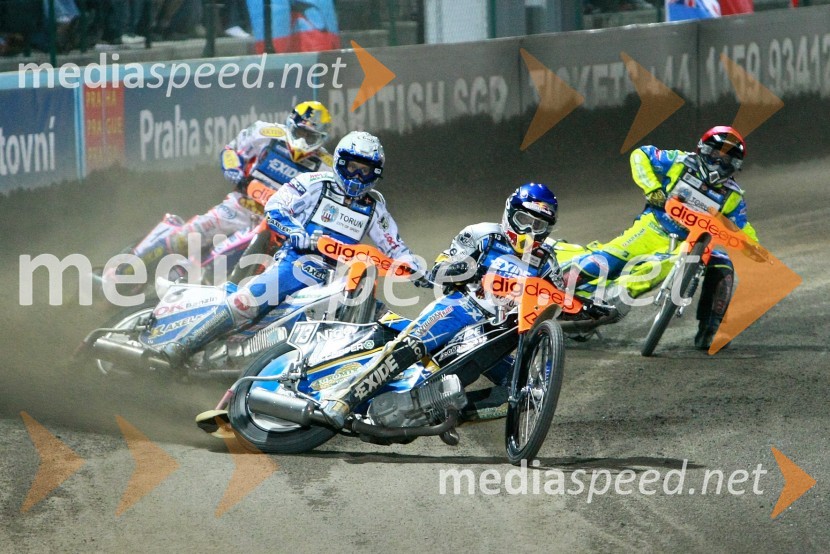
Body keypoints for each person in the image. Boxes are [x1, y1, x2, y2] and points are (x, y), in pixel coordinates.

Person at [316, 183, 572, 427]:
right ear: (509, 214)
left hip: (500, 332)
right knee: (410, 346)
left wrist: (584, 308)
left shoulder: (547, 263)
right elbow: (439, 270)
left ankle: (442, 414)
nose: (529, 231)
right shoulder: (483, 235)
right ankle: (342, 400)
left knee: (530, 391)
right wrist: (462, 270)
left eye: (538, 225)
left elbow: (558, 301)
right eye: (524, 220)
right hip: (462, 307)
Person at [160, 130, 423, 366]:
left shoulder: (374, 207)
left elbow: (395, 246)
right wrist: (295, 231)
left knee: (378, 320)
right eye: (353, 167)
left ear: (375, 174)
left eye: (365, 171)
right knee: (246, 302)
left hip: (337, 278)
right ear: (340, 163)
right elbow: (276, 206)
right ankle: (183, 345)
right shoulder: (314, 183)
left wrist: (417, 270)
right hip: (297, 264)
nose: (357, 176)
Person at [104, 100, 333, 288]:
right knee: (188, 235)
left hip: (274, 226)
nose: (302, 141)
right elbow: (231, 150)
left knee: (232, 262)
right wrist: (234, 170)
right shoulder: (265, 132)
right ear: (290, 124)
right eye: (300, 132)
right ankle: (126, 269)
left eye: (310, 137)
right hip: (240, 206)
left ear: (321, 139)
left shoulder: (327, 167)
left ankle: (195, 285)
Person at [569, 125, 757, 350]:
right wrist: (652, 188)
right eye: (715, 153)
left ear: (735, 165)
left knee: (723, 266)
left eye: (726, 159)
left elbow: (743, 229)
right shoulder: (680, 161)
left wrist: (753, 249)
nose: (718, 162)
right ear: (703, 149)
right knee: (604, 261)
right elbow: (640, 155)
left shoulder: (733, 196)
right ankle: (556, 289)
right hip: (652, 227)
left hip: (690, 245)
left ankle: (711, 331)